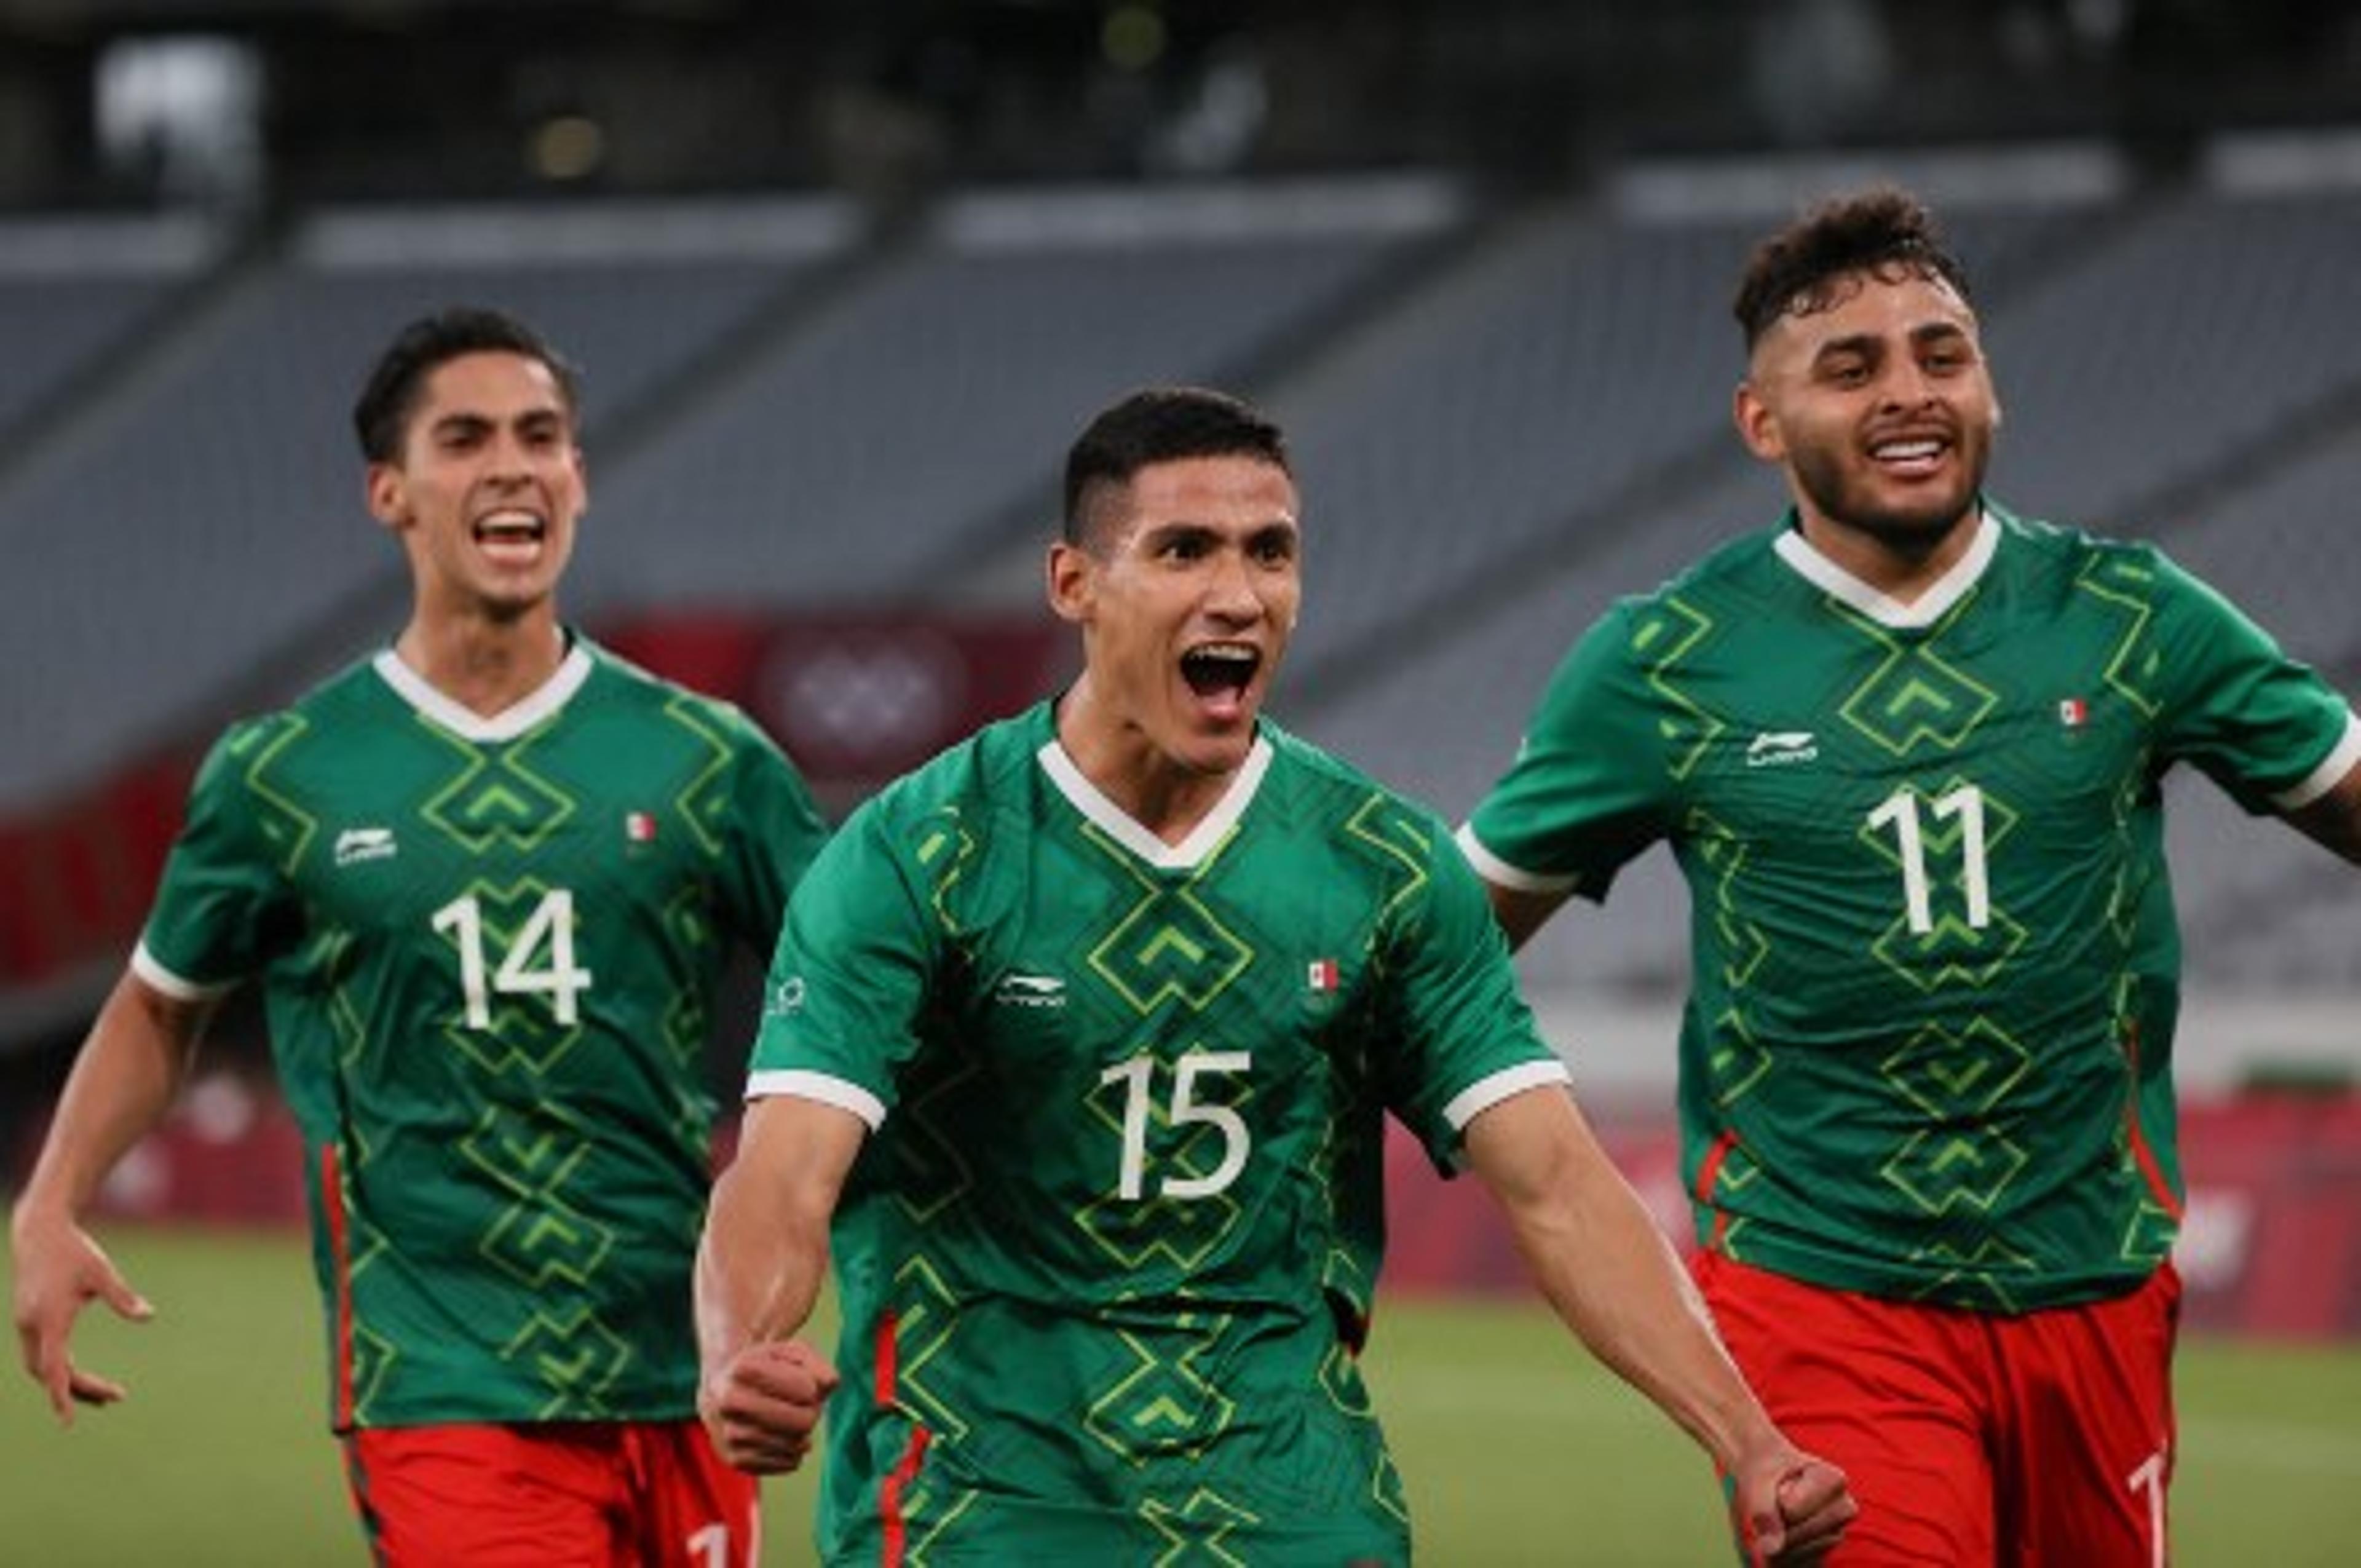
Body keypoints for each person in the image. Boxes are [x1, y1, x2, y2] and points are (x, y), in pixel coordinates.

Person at [692, 385, 1856, 1564]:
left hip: (1292, 1505)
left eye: (1271, 552)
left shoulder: (1382, 867)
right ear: (1073, 585)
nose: (1237, 595)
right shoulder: (919, 854)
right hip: (984, 1507)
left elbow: (1555, 1180)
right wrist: (743, 1349)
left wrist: (1747, 1441)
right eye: (1184, 550)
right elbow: (785, 1170)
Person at [1457, 186, 2361, 1565]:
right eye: (1852, 364)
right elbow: (1444, 941)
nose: (1909, 391)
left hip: (2095, 1287)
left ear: (1990, 384)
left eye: (1942, 353)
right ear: (1764, 425)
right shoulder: (1665, 662)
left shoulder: (2130, 618)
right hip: (1820, 1296)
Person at [9, 306, 831, 1567]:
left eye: (540, 435)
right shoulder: (284, 775)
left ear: (578, 480)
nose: (511, 463)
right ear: (391, 492)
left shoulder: (712, 763)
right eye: (466, 437)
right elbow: (162, 1003)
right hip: (442, 1376)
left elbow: (850, 1002)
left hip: (687, 1369)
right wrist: (52, 1201)